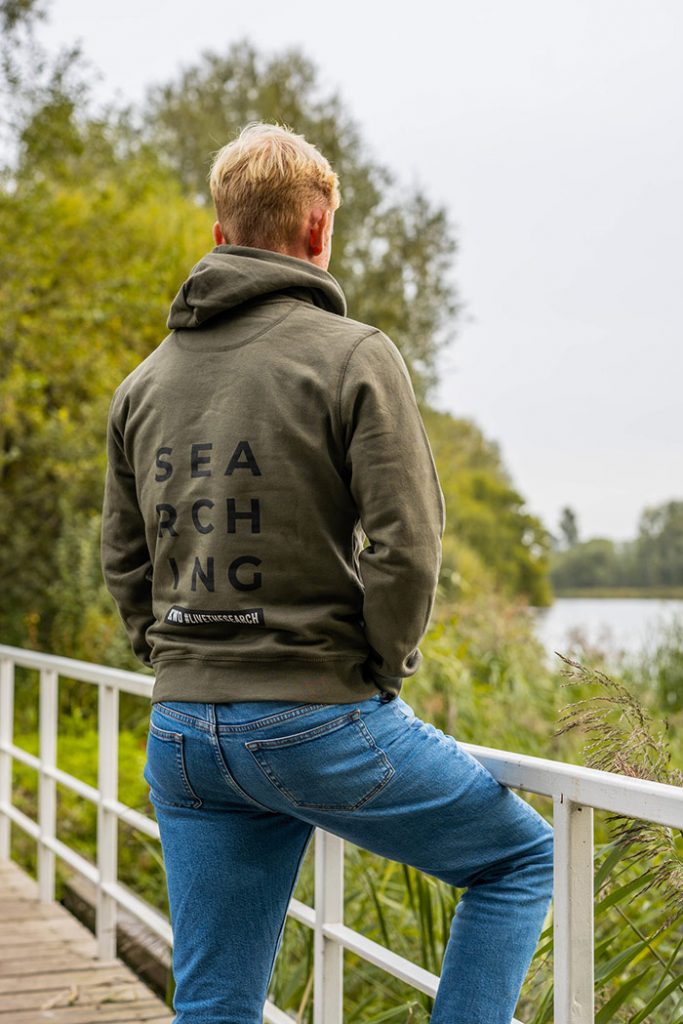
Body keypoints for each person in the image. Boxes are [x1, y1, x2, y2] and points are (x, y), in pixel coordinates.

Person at [101, 122, 554, 1024]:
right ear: (318, 229)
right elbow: (406, 544)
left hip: (184, 733)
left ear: (221, 233)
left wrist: (180, 659)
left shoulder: (142, 384)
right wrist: (378, 669)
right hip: (315, 717)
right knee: (518, 860)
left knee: (214, 1002)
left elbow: (123, 559)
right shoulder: (351, 354)